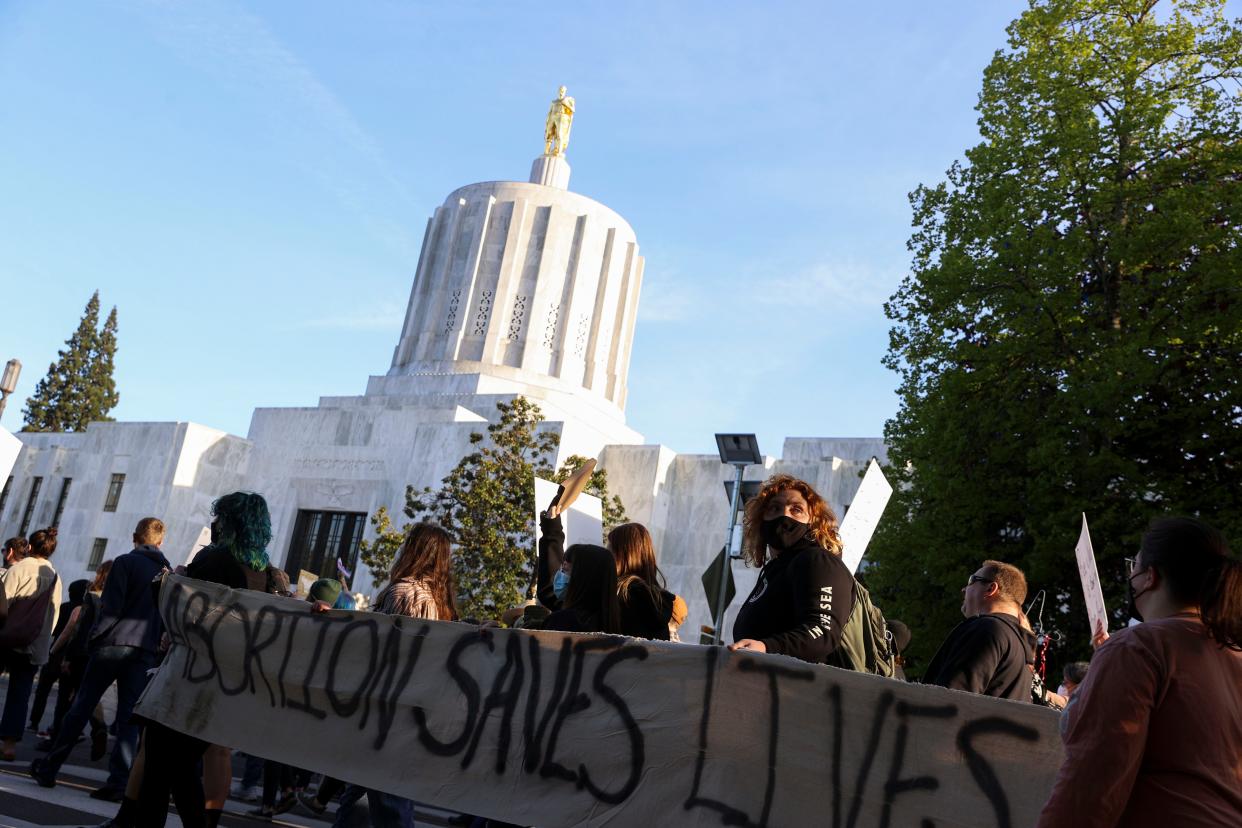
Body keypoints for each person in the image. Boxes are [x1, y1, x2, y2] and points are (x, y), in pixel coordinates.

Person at [1036, 516, 1242, 827]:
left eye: (1135, 566)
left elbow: (1093, 778)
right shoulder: (1232, 652)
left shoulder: (1138, 648)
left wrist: (1117, 655)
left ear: (1150, 576)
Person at [131, 492, 288, 828]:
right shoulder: (270, 578)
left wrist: (174, 581)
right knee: (182, 769)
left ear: (231, 525)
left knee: (160, 769)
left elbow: (180, 611)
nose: (214, 525)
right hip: (228, 686)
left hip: (190, 678)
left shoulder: (213, 561)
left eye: (220, 519)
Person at [33, 518, 171, 798]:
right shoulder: (166, 571)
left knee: (81, 706)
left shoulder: (124, 562)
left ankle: (50, 767)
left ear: (135, 536)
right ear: (160, 541)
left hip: (114, 643)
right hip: (143, 649)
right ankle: (119, 782)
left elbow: (112, 607)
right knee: (128, 718)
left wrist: (95, 638)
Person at [332, 523, 457, 828]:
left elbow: (381, 646)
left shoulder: (404, 592)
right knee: (364, 792)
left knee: (388, 800)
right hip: (416, 707)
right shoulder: (438, 599)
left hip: (390, 708)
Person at [729, 475, 855, 663]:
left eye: (796, 509)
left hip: (801, 690)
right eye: (775, 508)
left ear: (813, 522)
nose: (785, 515)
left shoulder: (817, 560)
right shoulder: (774, 571)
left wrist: (766, 647)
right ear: (761, 519)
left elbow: (822, 633)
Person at [921, 560, 1035, 701]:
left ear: (990, 589)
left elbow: (949, 700)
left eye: (971, 580)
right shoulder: (1021, 646)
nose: (964, 589)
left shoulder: (986, 629)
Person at [0, 527, 62, 761]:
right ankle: (9, 745)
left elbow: (3, 604)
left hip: (7, 638)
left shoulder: (18, 569)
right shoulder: (55, 576)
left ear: (31, 547)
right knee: (21, 692)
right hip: (34, 642)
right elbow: (53, 615)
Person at [40, 572, 109, 757]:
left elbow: (71, 630)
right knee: (88, 696)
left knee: (64, 701)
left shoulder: (86, 603)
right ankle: (98, 726)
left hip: (78, 656)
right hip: (101, 656)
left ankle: (56, 741)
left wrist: (56, 652)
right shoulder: (115, 603)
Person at [28, 577, 89, 738]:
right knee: (65, 695)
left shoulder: (64, 607)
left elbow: (55, 630)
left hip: (57, 653)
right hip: (72, 656)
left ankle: (34, 722)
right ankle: (58, 726)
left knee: (43, 690)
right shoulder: (86, 610)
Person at [608, 523, 685, 641]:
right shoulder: (660, 601)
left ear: (622, 556)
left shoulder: (620, 593)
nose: (606, 557)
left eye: (610, 550)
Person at [543, 544, 622, 635]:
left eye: (565, 571)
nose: (560, 576)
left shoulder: (561, 621)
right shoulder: (615, 622)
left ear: (582, 579)